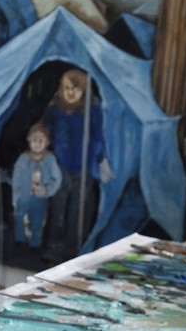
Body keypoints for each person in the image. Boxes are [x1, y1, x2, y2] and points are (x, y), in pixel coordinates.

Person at [42, 67, 114, 258]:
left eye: (76, 88)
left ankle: (73, 246)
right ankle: (53, 244)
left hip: (84, 165)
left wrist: (102, 159)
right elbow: (46, 132)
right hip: (60, 165)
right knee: (57, 205)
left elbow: (99, 136)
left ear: (84, 90)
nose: (70, 93)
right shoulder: (54, 108)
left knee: (79, 207)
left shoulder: (92, 109)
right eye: (66, 88)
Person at [11, 122, 61, 248]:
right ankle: (20, 241)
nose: (37, 144)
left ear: (47, 142)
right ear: (28, 140)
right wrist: (15, 197)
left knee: (38, 221)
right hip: (23, 196)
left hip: (40, 197)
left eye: (41, 140)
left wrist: (48, 190)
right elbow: (16, 179)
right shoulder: (23, 159)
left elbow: (57, 178)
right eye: (34, 140)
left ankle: (35, 243)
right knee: (20, 218)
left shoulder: (50, 160)